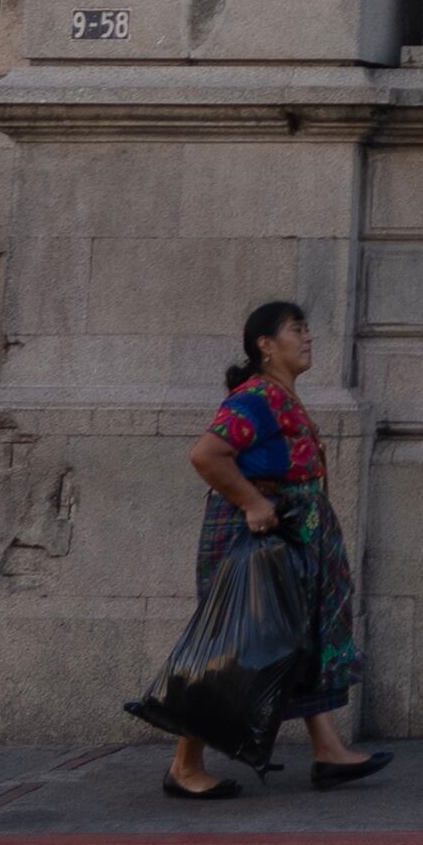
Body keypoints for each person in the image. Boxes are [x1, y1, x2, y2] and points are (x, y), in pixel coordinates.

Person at [136, 297, 383, 800]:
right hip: (256, 539)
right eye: (297, 329)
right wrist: (252, 503)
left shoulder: (281, 398)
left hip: (292, 536)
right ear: (266, 345)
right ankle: (184, 766)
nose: (308, 336)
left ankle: (328, 750)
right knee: (235, 644)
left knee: (300, 635)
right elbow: (206, 455)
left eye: (307, 328)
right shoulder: (255, 399)